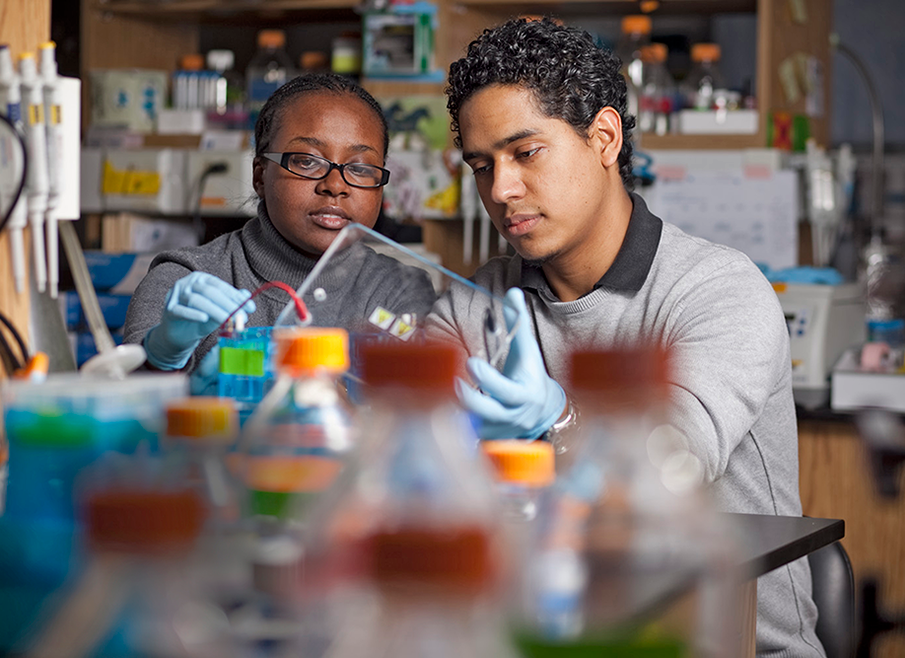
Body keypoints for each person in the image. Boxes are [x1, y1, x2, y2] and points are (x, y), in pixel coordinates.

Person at [424, 17, 826, 657]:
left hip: (726, 639)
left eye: (526, 153)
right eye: (481, 165)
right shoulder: (479, 303)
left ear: (604, 138)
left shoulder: (716, 290)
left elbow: (675, 467)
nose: (500, 190)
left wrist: (556, 421)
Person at [123, 73, 438, 392]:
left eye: (359, 168)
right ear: (260, 175)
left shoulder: (400, 292)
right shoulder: (186, 281)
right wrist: (161, 358)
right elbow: (126, 423)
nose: (335, 186)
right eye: (306, 161)